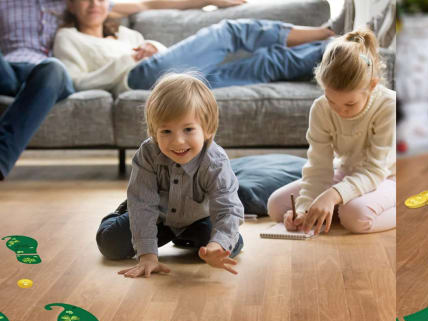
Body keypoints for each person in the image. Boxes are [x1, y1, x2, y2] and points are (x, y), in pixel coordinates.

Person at [0, 0, 245, 181]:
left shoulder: (71, 4)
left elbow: (147, 4)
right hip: (9, 70)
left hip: (48, 76)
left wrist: (208, 1)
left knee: (52, 67)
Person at [96, 73, 244, 278]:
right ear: (153, 131)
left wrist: (216, 245)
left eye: (188, 129)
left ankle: (187, 237)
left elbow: (228, 208)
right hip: (156, 216)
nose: (178, 141)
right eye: (166, 131)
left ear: (208, 129)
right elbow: (143, 206)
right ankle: (123, 211)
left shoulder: (215, 161)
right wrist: (147, 255)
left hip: (198, 218)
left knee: (230, 245)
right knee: (110, 244)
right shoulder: (148, 154)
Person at [53, 0, 335, 94]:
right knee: (229, 31)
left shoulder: (126, 33)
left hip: (172, 82)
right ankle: (328, 29)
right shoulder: (69, 38)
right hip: (137, 79)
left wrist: (154, 48)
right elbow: (75, 83)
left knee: (264, 63)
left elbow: (163, 58)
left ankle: (337, 48)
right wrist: (126, 60)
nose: (94, 4)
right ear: (71, 4)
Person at [267, 29, 396, 234]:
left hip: (388, 177)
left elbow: (374, 170)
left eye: (350, 104)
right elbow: (318, 167)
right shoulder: (320, 108)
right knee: (276, 206)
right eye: (331, 100)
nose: (339, 111)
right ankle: (333, 210)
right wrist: (303, 209)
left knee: (355, 217)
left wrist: (332, 196)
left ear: (372, 86)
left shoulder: (389, 105)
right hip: (347, 173)